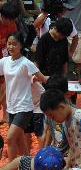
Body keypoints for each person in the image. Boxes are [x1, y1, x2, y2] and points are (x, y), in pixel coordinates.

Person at [1, 32, 47, 161]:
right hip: (11, 107)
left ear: (21, 45)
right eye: (9, 44)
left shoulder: (26, 63)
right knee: (20, 141)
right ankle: (28, 168)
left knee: (10, 138)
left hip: (24, 107)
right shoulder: (4, 62)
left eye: (14, 44)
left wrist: (59, 80)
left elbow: (43, 78)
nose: (11, 47)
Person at [39, 89, 81, 170]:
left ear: (61, 107)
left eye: (53, 116)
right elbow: (72, 145)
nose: (54, 120)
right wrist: (68, 164)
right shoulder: (65, 122)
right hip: (77, 166)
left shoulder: (79, 116)